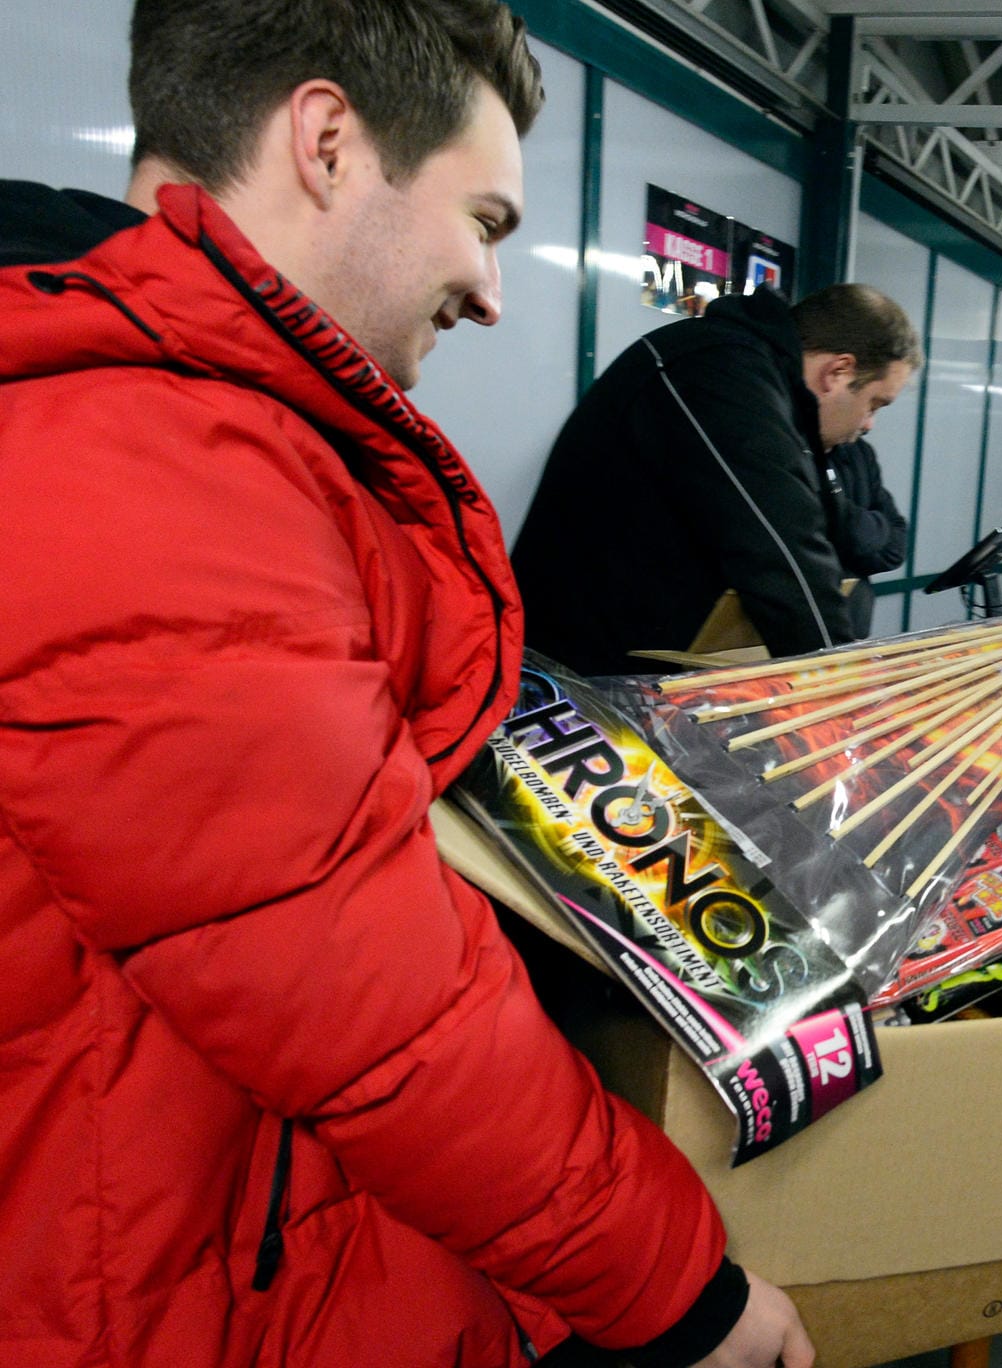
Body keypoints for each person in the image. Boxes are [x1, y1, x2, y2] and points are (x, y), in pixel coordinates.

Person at [0, 3, 809, 1366]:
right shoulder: (148, 456)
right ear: (325, 143)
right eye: (484, 222)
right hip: (159, 1291)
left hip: (238, 1229)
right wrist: (679, 1287)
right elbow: (375, 1003)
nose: (493, 290)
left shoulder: (192, 423)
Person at [513, 283, 922, 671]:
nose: (869, 424)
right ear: (838, 371)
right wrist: (843, 682)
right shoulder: (719, 368)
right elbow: (781, 547)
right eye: (875, 403)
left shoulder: (762, 384)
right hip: (572, 668)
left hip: (629, 654)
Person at [825, 436, 909, 637]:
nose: (869, 424)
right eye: (870, 407)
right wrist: (876, 529)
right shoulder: (791, 451)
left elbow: (896, 548)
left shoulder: (860, 453)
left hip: (855, 623)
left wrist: (849, 537)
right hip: (798, 634)